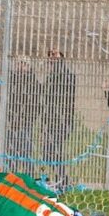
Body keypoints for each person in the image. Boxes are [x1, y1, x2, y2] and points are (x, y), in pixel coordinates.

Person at [44, 48, 76, 184]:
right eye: (50, 54)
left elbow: (66, 82)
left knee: (54, 150)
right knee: (48, 151)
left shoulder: (66, 75)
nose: (52, 57)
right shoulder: (50, 76)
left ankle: (63, 181)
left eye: (55, 54)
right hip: (51, 120)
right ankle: (61, 179)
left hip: (63, 120)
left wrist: (58, 62)